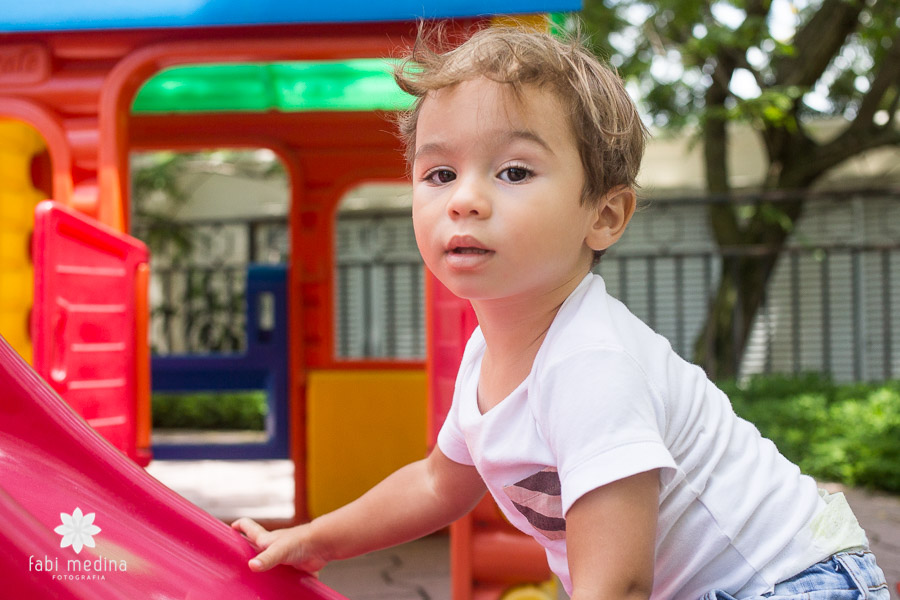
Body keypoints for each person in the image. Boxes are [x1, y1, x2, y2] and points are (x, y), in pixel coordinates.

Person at [232, 25, 889, 600]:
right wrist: (317, 540)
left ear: (604, 214)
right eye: (438, 174)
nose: (464, 199)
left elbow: (617, 585)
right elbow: (438, 484)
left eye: (514, 172)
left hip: (796, 582)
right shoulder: (490, 354)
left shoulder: (590, 367)